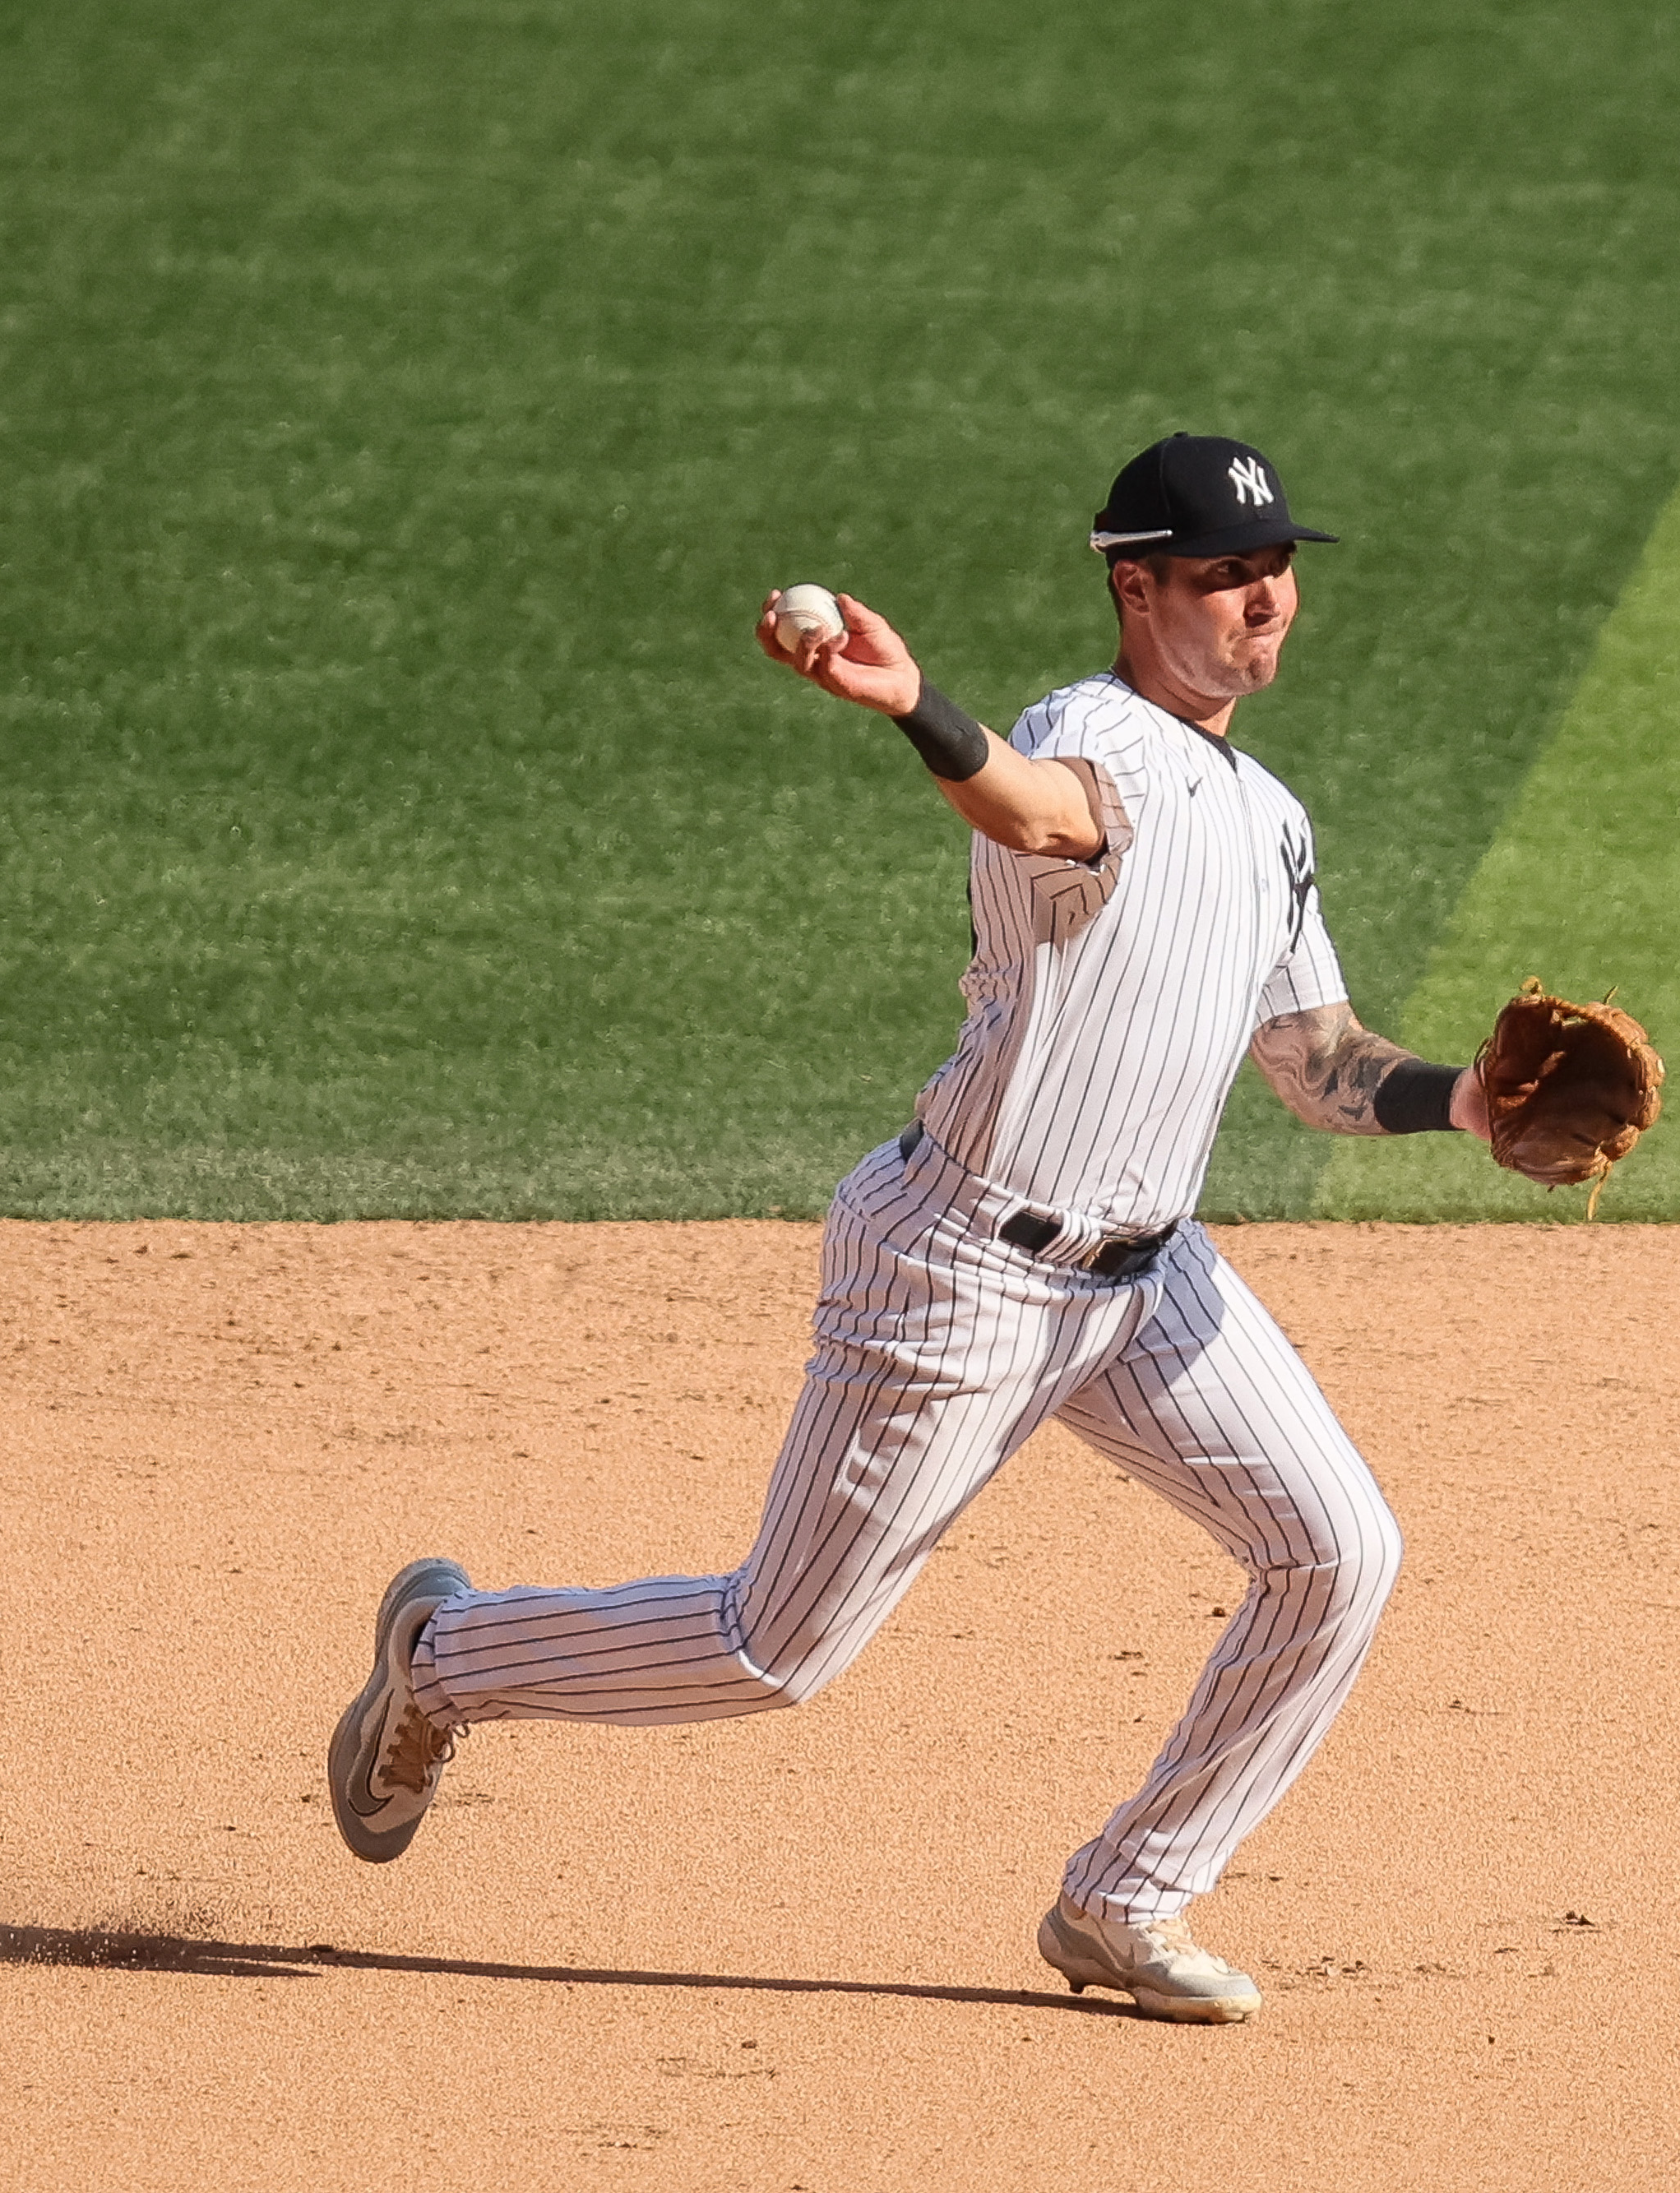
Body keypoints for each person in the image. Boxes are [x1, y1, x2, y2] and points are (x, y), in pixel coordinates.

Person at [326, 433, 1493, 2024]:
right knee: (768, 1654)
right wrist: (918, 712)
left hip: (1152, 1288)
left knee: (1340, 1551)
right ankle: (443, 1655)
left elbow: (1320, 1066)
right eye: (1222, 573)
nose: (1265, 598)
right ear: (1132, 584)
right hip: (961, 1268)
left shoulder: (1270, 813)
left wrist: (1472, 1105)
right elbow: (1033, 813)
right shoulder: (1100, 744)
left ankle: (1127, 1901)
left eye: (1276, 567)